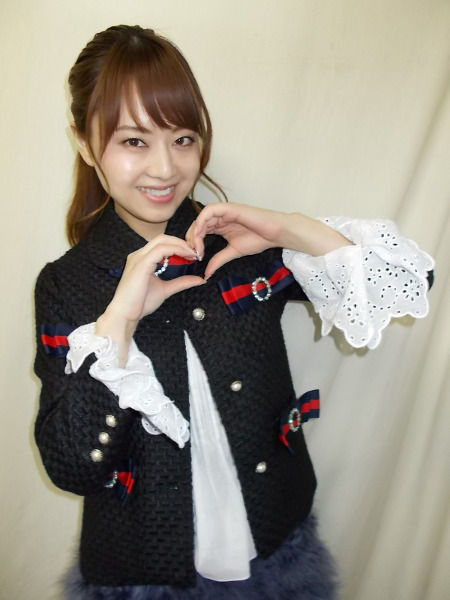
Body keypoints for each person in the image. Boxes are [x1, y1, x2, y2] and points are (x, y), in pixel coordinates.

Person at [33, 25, 434, 600]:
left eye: (183, 138)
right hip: (140, 575)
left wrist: (288, 228)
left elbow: (411, 282)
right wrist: (117, 322)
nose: (165, 169)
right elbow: (73, 466)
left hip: (277, 554)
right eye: (134, 141)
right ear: (84, 143)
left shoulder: (234, 245)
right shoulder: (65, 284)